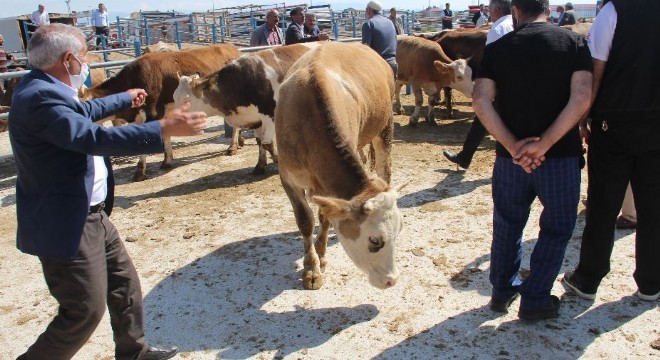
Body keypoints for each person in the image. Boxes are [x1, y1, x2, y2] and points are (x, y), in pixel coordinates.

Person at [9, 23, 208, 360]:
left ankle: (135, 352)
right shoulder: (40, 99)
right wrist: (160, 128)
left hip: (90, 214)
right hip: (67, 221)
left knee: (123, 285)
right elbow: (94, 139)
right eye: (84, 56)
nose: (87, 64)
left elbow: (85, 111)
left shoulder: (45, 87)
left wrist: (124, 98)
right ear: (68, 59)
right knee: (82, 311)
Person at [472, 0, 592, 320]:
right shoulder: (574, 42)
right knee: (555, 229)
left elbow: (480, 100)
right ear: (548, 9)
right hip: (560, 157)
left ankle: (501, 292)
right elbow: (582, 97)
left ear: (515, 10)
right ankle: (536, 298)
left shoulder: (497, 48)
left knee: (507, 225)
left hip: (510, 161)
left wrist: (513, 147)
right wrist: (546, 144)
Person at [563, 0, 660, 302]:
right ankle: (651, 282)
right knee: (654, 208)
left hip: (614, 123)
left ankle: (588, 279)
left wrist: (582, 118)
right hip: (655, 123)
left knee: (603, 206)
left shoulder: (614, 10)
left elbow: (597, 69)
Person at [443, 0, 514, 170]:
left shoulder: (498, 29)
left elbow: (492, 61)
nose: (488, 12)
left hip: (502, 84)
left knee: (488, 118)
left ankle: (512, 159)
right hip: (516, 82)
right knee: (484, 120)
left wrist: (486, 87)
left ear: (496, 10)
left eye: (490, 9)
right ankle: (465, 157)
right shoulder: (516, 22)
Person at [362, 0, 398, 78]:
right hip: (393, 65)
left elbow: (365, 49)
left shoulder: (368, 24)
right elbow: (395, 42)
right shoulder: (390, 22)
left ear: (369, 10)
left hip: (378, 67)